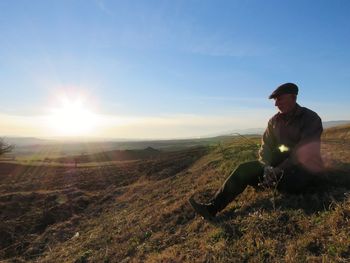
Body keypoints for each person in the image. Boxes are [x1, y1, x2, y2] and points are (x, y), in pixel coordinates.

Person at [189, 83, 325, 220]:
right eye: (275, 100)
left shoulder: (311, 119)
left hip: (302, 167)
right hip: (276, 167)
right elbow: (265, 145)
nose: (276, 104)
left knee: (293, 184)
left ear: (293, 97)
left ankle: (273, 183)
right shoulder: (274, 121)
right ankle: (211, 208)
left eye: (280, 99)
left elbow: (305, 153)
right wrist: (266, 166)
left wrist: (278, 170)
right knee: (244, 169)